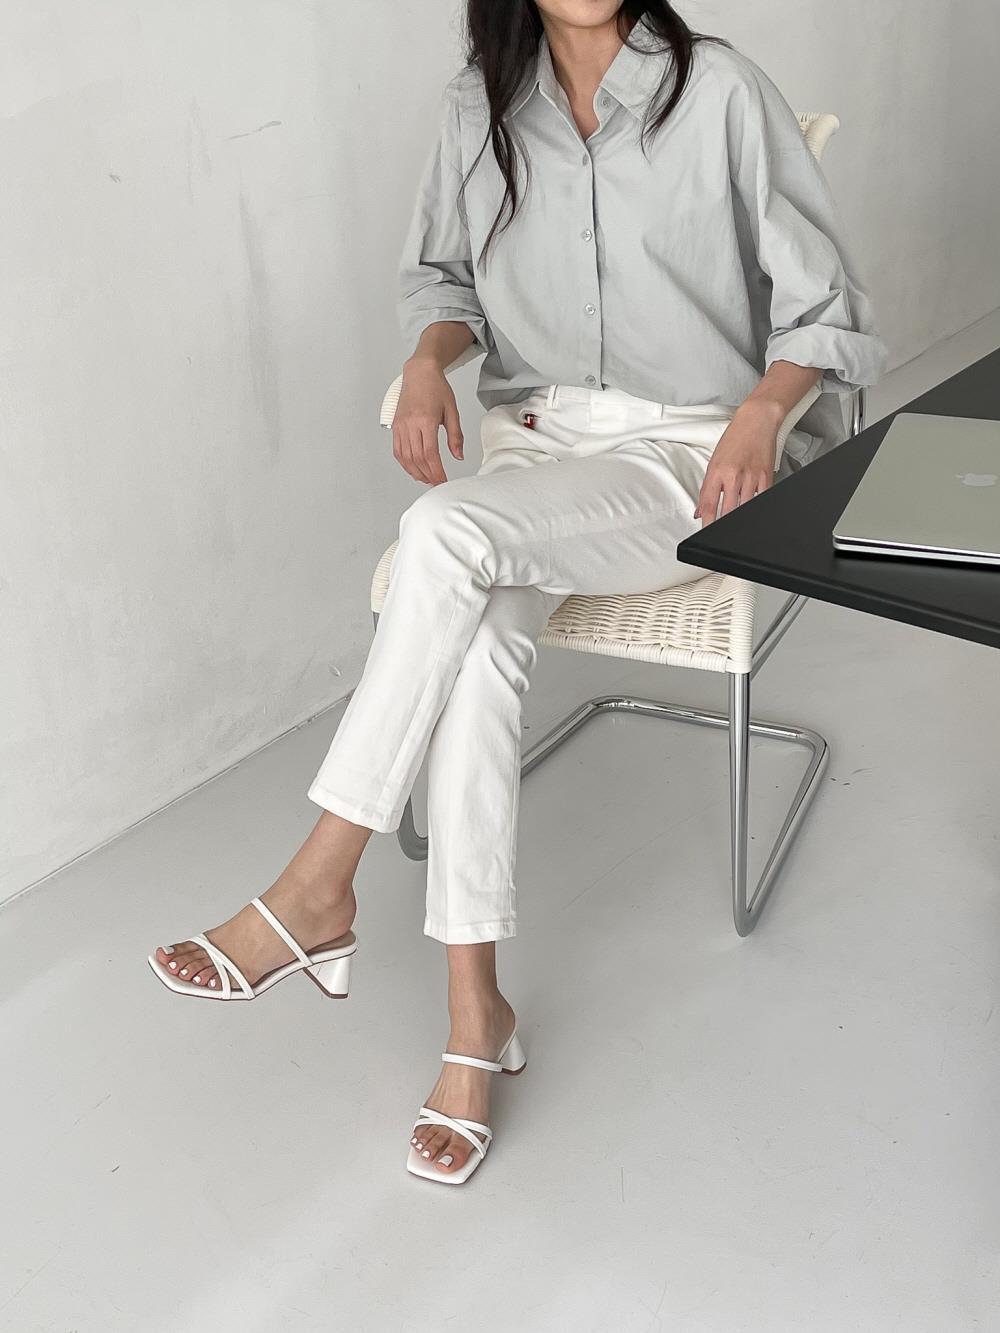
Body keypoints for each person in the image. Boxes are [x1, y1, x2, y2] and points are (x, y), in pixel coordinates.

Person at [147, 1, 887, 1184]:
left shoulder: (721, 94)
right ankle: (473, 1020)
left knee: (442, 535)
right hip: (535, 454)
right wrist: (424, 363)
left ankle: (316, 883)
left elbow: (827, 310)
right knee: (480, 637)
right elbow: (441, 282)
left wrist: (759, 412)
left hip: (681, 459)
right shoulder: (477, 109)